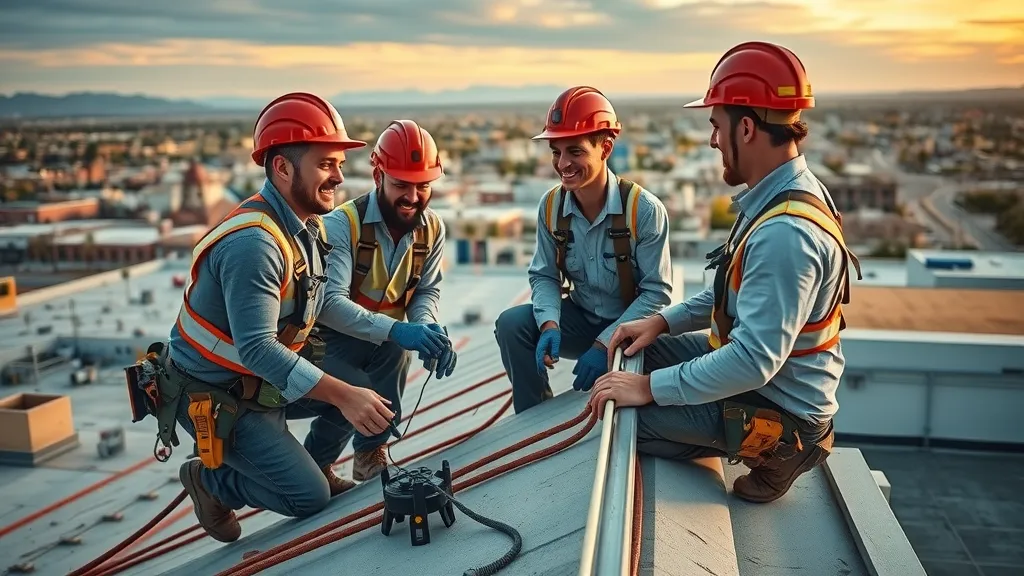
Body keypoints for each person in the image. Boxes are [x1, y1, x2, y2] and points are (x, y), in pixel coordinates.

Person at [588, 41, 862, 503]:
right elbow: (728, 292)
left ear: (748, 128)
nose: (713, 140)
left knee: (622, 418)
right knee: (639, 353)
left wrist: (649, 390)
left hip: (781, 404)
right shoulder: (778, 194)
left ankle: (781, 453)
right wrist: (661, 321)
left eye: (716, 126)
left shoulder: (785, 235)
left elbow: (753, 362)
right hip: (761, 375)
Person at [161, 92, 399, 543]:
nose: (339, 176)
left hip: (261, 383)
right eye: (326, 163)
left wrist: (395, 330)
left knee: (366, 376)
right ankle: (210, 482)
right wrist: (344, 395)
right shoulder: (256, 244)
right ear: (283, 169)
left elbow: (318, 302)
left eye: (339, 164)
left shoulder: (304, 225)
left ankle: (314, 465)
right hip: (220, 397)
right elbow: (255, 347)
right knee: (308, 499)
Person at [494, 86, 673, 414]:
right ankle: (533, 417)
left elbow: (656, 295)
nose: (563, 164)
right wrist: (549, 323)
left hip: (633, 329)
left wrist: (605, 343)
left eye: (574, 151)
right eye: (555, 152)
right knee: (512, 324)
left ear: (605, 148)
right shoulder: (551, 208)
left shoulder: (642, 211)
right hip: (581, 316)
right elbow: (544, 276)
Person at [315, 119, 456, 483]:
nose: (412, 197)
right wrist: (397, 330)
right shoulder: (342, 225)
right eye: (401, 185)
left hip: (378, 340)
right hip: (327, 343)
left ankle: (368, 452)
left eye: (423, 186)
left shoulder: (432, 228)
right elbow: (329, 304)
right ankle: (315, 468)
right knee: (359, 392)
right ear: (378, 176)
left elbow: (425, 289)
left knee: (394, 355)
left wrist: (425, 327)